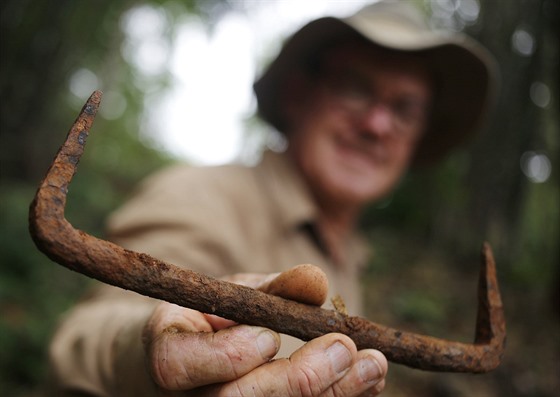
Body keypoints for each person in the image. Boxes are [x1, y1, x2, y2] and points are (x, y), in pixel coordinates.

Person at [48, 1, 497, 396]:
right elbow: (88, 338)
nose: (378, 124)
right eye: (356, 86)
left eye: (405, 109)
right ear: (299, 95)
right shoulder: (202, 196)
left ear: (417, 138)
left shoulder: (351, 257)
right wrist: (151, 357)